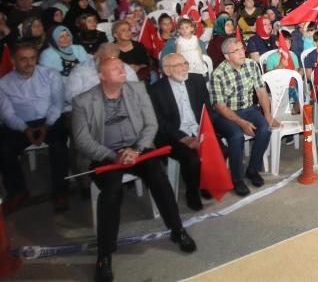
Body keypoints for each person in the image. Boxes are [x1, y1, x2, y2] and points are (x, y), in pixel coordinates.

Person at [71, 57, 197, 282]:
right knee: (112, 192)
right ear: (102, 76)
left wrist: (137, 149)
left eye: (122, 67)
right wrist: (114, 155)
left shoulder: (137, 89)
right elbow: (82, 140)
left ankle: (177, 230)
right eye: (115, 68)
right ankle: (104, 255)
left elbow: (151, 124)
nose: (122, 70)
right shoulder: (83, 101)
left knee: (158, 177)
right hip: (106, 154)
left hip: (138, 148)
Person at [0, 41, 70, 213]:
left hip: (49, 120)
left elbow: (57, 104)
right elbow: (8, 114)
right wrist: (25, 129)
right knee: (3, 149)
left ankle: (60, 192)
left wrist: (47, 125)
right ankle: (18, 191)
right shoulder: (3, 83)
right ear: (13, 61)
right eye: (23, 59)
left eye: (32, 58)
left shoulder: (51, 74)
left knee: (59, 146)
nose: (29, 63)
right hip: (20, 123)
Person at [209, 38, 279, 196]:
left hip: (248, 109)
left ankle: (252, 169)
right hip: (225, 114)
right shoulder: (218, 74)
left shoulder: (251, 65)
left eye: (242, 49)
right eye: (236, 51)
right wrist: (241, 123)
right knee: (236, 136)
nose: (242, 53)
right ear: (227, 56)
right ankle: (237, 178)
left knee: (265, 129)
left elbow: (261, 91)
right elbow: (220, 107)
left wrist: (268, 114)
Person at [148, 53, 212, 211]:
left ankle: (205, 183)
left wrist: (204, 128)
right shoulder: (156, 90)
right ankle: (192, 192)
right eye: (178, 65)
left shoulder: (196, 80)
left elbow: (207, 107)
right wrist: (184, 138)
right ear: (167, 70)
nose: (184, 68)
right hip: (174, 135)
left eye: (185, 63)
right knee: (192, 160)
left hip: (198, 127)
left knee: (222, 150)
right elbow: (160, 122)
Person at [65, 42, 138, 102]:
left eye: (113, 60)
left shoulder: (125, 69)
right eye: (106, 60)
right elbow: (71, 96)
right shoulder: (80, 69)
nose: (109, 64)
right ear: (97, 56)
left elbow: (135, 92)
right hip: (89, 108)